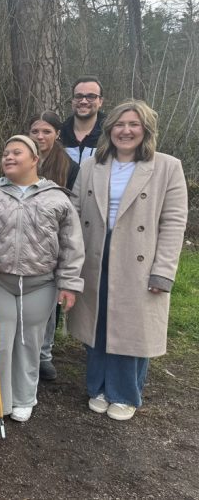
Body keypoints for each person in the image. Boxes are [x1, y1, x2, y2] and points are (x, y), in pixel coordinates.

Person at [69, 100, 188, 421]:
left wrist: (163, 271)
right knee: (97, 322)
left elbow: (174, 222)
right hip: (96, 255)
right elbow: (74, 212)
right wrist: (70, 262)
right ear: (109, 130)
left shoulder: (167, 166)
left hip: (139, 260)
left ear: (146, 129)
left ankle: (124, 394)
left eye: (133, 124)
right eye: (120, 125)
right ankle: (99, 388)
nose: (126, 130)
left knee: (130, 329)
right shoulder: (93, 164)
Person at [0, 135, 84, 428]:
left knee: (29, 341)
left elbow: (72, 245)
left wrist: (69, 283)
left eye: (17, 152)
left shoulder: (57, 197)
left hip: (41, 283)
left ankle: (25, 398)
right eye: (5, 153)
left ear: (34, 160)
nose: (9, 157)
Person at [27, 111, 81, 381]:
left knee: (49, 302)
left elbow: (73, 208)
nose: (40, 136)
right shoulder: (20, 156)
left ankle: (44, 354)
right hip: (25, 237)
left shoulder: (69, 166)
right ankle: (25, 351)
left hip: (54, 239)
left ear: (57, 134)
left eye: (46, 131)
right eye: (35, 131)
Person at [60, 76, 106, 164]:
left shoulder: (110, 134)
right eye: (78, 96)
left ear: (100, 101)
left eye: (91, 96)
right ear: (72, 100)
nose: (83, 101)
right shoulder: (59, 134)